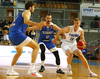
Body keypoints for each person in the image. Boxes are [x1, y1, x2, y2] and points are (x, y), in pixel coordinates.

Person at [7, 2, 45, 77]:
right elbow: (26, 21)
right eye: (33, 7)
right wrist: (37, 23)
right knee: (36, 47)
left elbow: (27, 29)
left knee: (19, 51)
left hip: (11, 35)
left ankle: (10, 70)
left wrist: (38, 26)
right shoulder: (27, 12)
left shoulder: (20, 15)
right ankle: (32, 69)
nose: (34, 9)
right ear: (30, 7)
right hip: (16, 34)